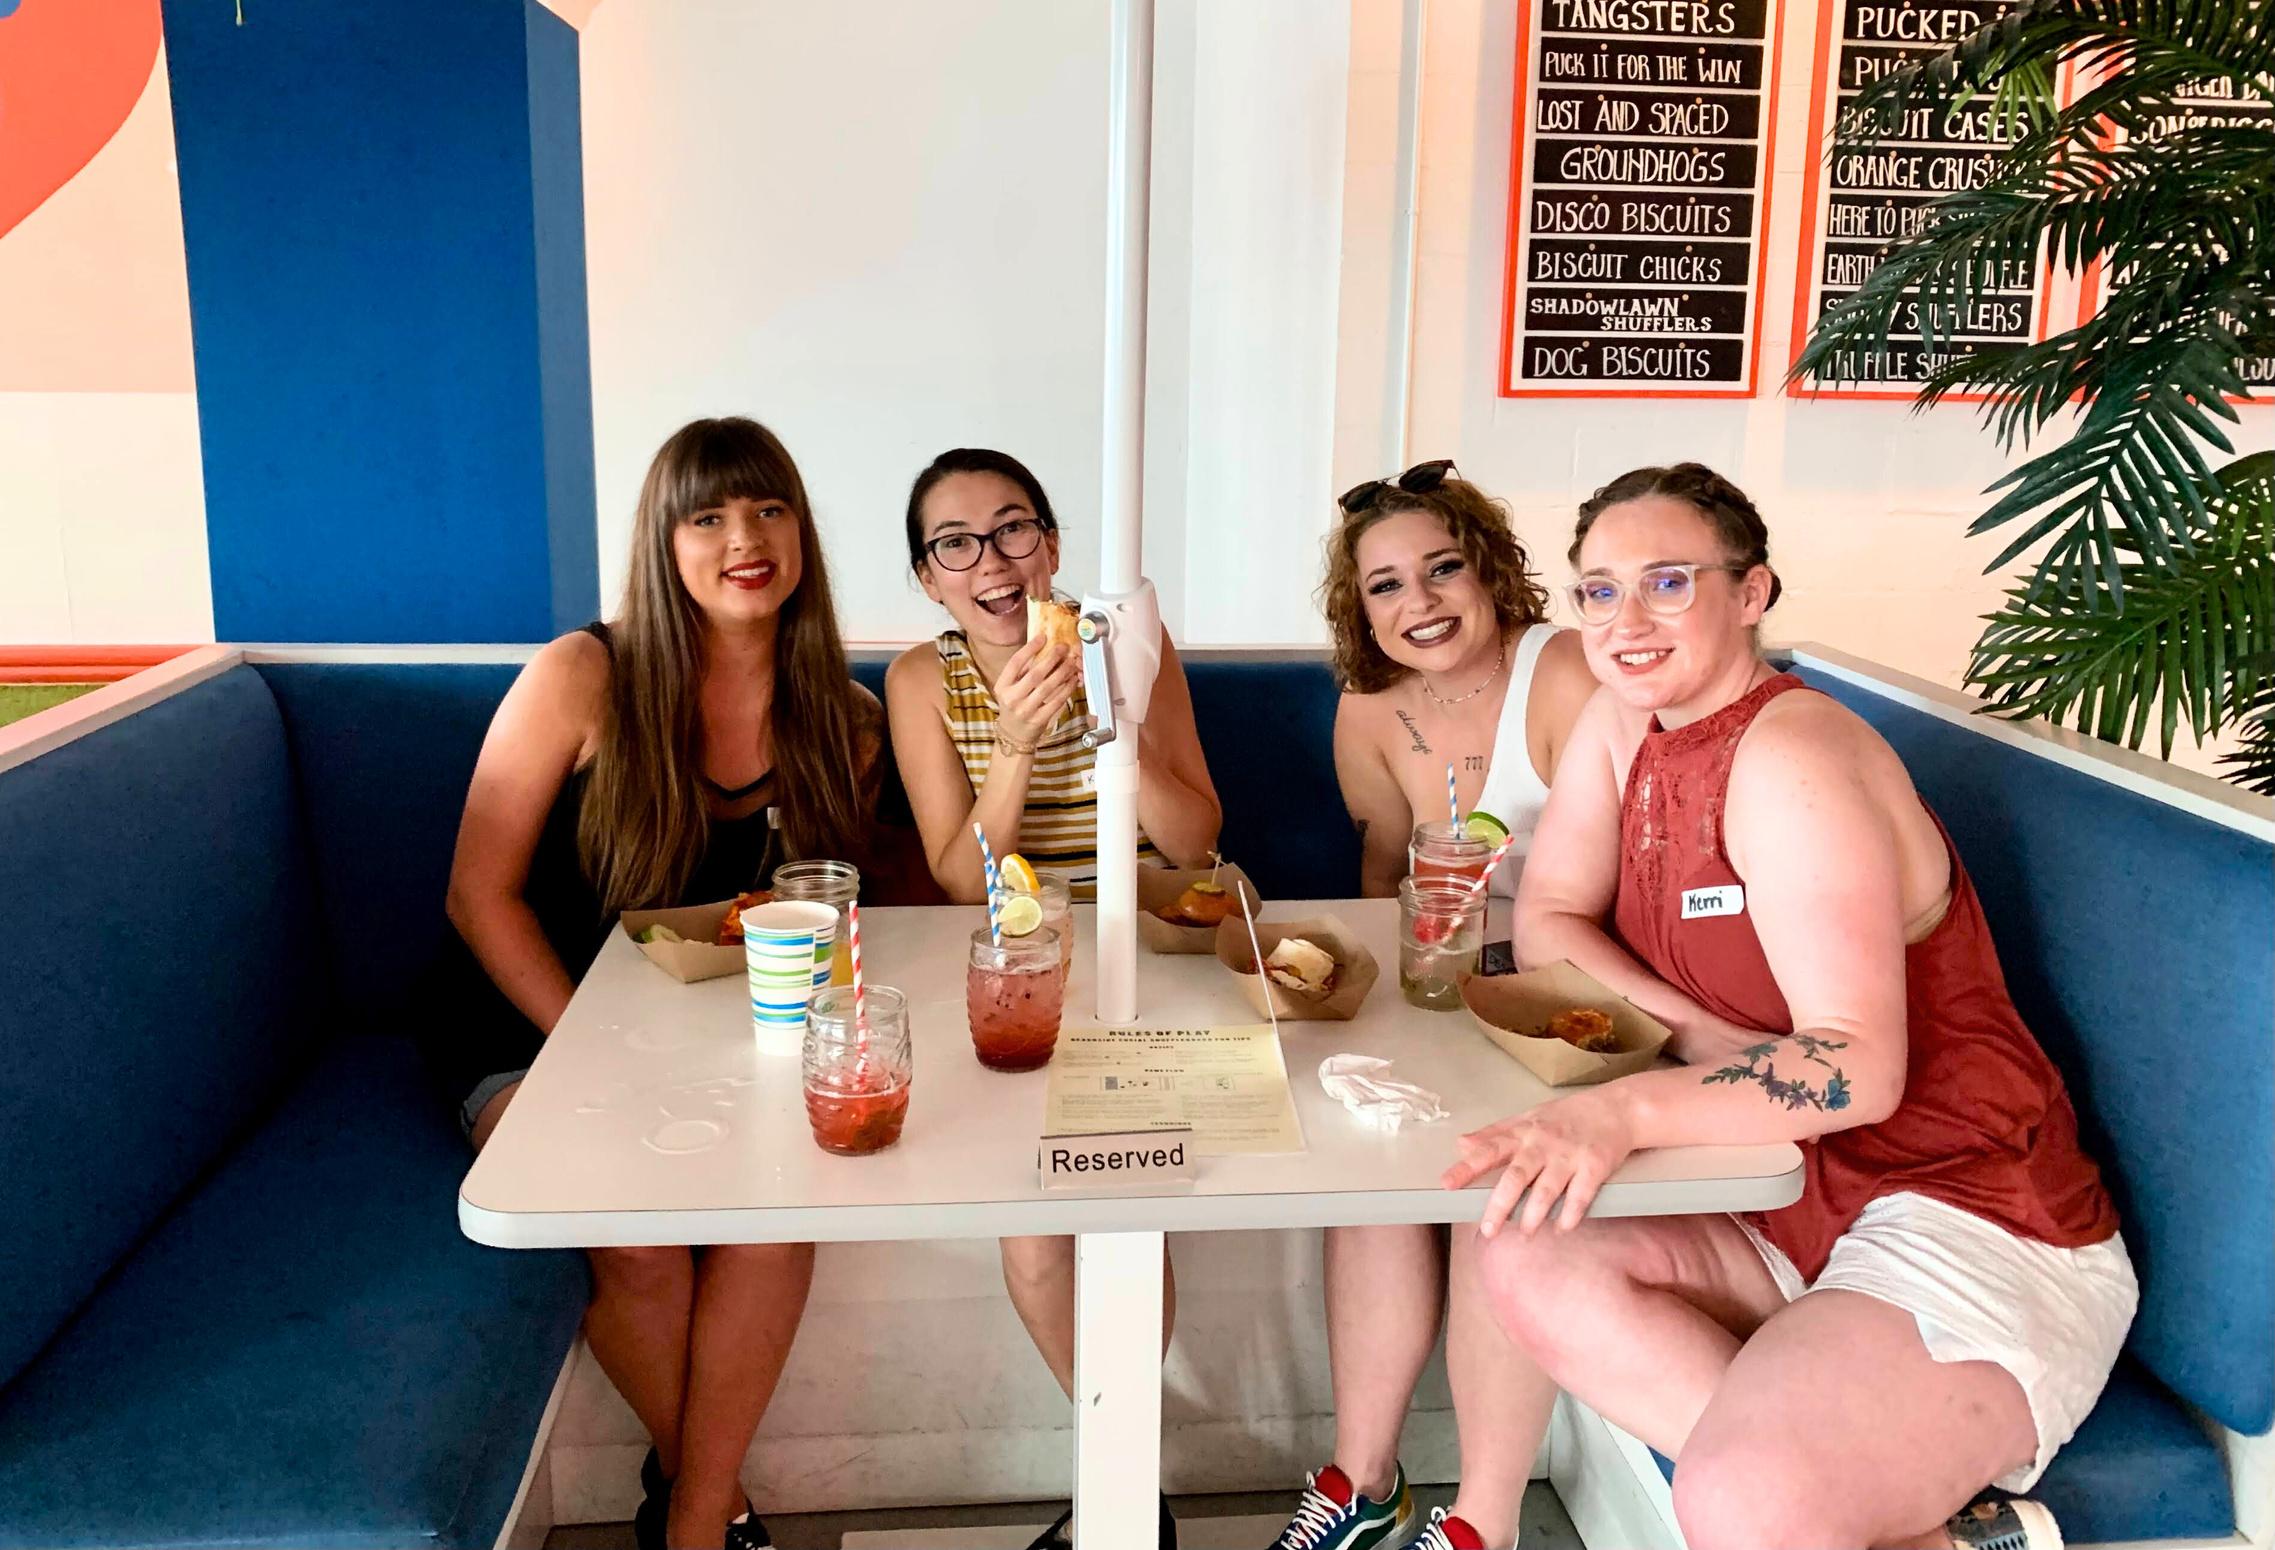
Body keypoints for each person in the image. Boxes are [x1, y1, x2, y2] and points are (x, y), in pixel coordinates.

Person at [1440, 463, 2133, 1550]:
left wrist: (1623, 1108)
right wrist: (1702, 1037)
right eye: (1599, 591)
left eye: (1667, 582)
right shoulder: (1625, 723)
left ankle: (1803, 1494)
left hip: (1960, 1205)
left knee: (1739, 1503)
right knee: (1523, 1244)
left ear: (1750, 591)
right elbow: (1551, 920)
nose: (1626, 621)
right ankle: (1919, 1523)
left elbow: (1853, 1068)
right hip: (1783, 1193)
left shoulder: (1790, 754)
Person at [425, 417, 889, 1550]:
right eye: (709, 516)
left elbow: (825, 916)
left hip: (715, 1038)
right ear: (663, 541)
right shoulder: (581, 673)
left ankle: (687, 1518)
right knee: (630, 1233)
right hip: (532, 1024)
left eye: (770, 509)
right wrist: (588, 1051)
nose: (746, 539)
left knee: (777, 1221)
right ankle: (711, 1505)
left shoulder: (846, 717)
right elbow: (478, 895)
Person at [884, 446, 1223, 1550]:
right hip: (1020, 975)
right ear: (928, 577)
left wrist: (1112, 713)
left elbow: (1195, 840)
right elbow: (958, 877)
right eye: (955, 544)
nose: (991, 560)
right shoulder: (920, 681)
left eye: (1013, 528)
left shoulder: (1129, 643)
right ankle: (1124, 1476)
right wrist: (1018, 744)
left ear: (1053, 543)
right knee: (1035, 1242)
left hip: (1147, 963)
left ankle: (1117, 1495)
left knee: (1125, 1217)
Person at [1269, 461, 1597, 1550]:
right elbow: (1382, 874)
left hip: (1570, 998)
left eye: (1442, 568)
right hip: (1442, 985)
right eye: (1386, 585)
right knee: (1371, 1170)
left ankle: (1481, 1524)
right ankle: (1361, 1485)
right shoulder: (1368, 709)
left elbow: (1618, 873)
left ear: (1489, 568)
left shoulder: (1560, 671)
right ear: (1359, 609)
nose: (1420, 601)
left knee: (1487, 1191)